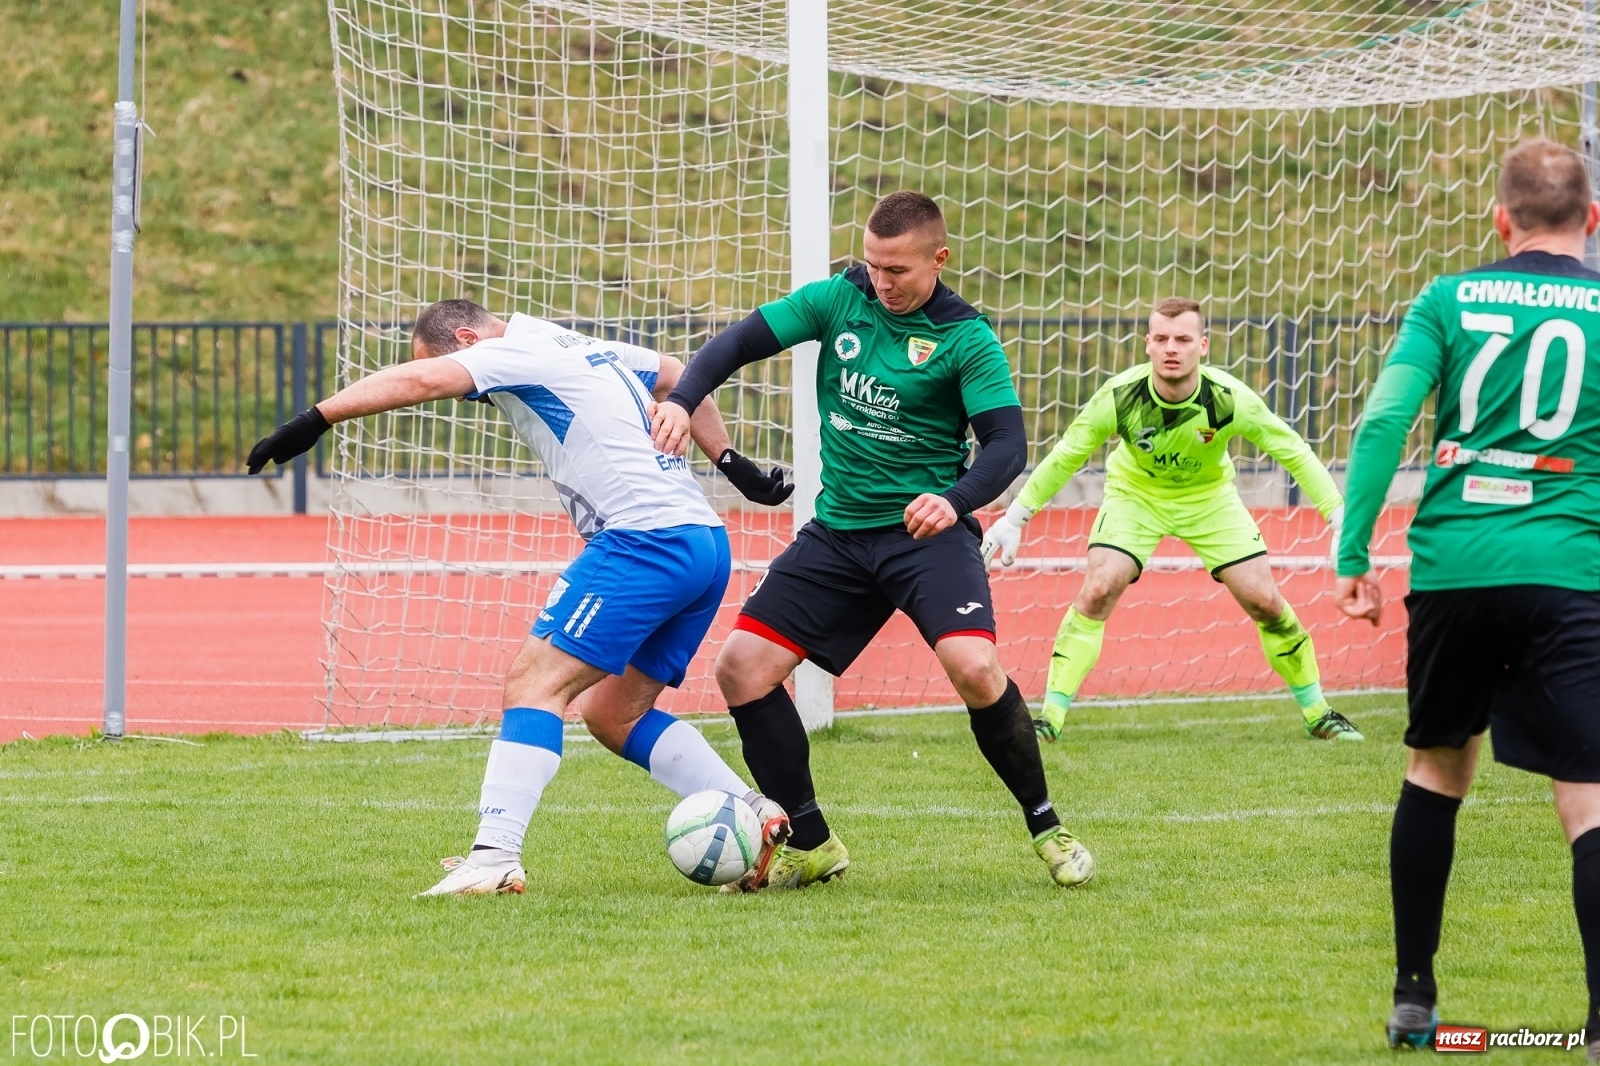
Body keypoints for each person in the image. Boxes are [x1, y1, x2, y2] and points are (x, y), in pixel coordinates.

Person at [247, 300, 795, 897]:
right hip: (702, 542)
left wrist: (317, 418)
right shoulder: (578, 345)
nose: (463, 394)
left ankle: (494, 855)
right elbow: (675, 373)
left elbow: (423, 378)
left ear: (465, 337)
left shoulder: (512, 352)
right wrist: (730, 461)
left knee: (534, 686)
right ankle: (753, 810)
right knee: (615, 715)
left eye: (459, 372)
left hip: (645, 543)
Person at [650, 191, 1094, 891]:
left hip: (926, 535)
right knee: (740, 668)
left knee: (976, 670)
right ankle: (811, 840)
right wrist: (680, 400)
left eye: (898, 270)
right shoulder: (838, 300)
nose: (882, 283)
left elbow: (1007, 444)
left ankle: (1047, 826)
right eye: (873, 265)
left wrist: (955, 501)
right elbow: (737, 342)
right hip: (839, 535)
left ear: (938, 260)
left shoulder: (965, 338)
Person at [1335, 138, 1600, 1053]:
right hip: (1567, 570)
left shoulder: (1449, 297)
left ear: (1501, 219)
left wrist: (1352, 552)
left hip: (1454, 570)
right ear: (1592, 220)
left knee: (1438, 768)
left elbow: (1381, 422)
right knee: (1589, 794)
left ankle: (1415, 996)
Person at [981, 297, 1362, 744]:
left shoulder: (1228, 398)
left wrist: (1340, 518)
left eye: (1182, 339)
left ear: (1202, 345)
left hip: (1209, 500)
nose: (1171, 348)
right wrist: (1016, 517)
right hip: (1135, 496)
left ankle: (1319, 714)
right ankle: (1049, 720)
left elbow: (1293, 450)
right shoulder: (1120, 396)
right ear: (1147, 344)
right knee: (1099, 588)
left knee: (1265, 602)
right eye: (1161, 338)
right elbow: (1067, 455)